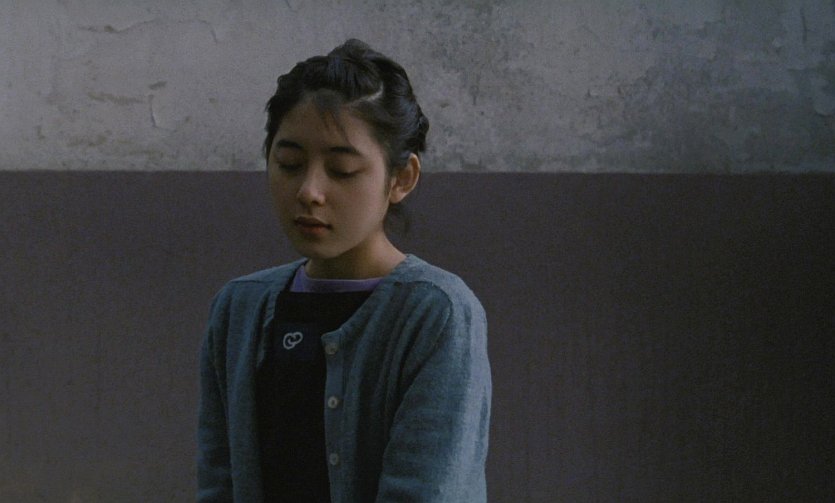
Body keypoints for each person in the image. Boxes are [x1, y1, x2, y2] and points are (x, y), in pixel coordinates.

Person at [197, 39, 491, 502]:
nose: (309, 191)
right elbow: (219, 484)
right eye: (289, 164)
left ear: (402, 179)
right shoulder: (238, 309)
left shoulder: (435, 314)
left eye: (342, 170)